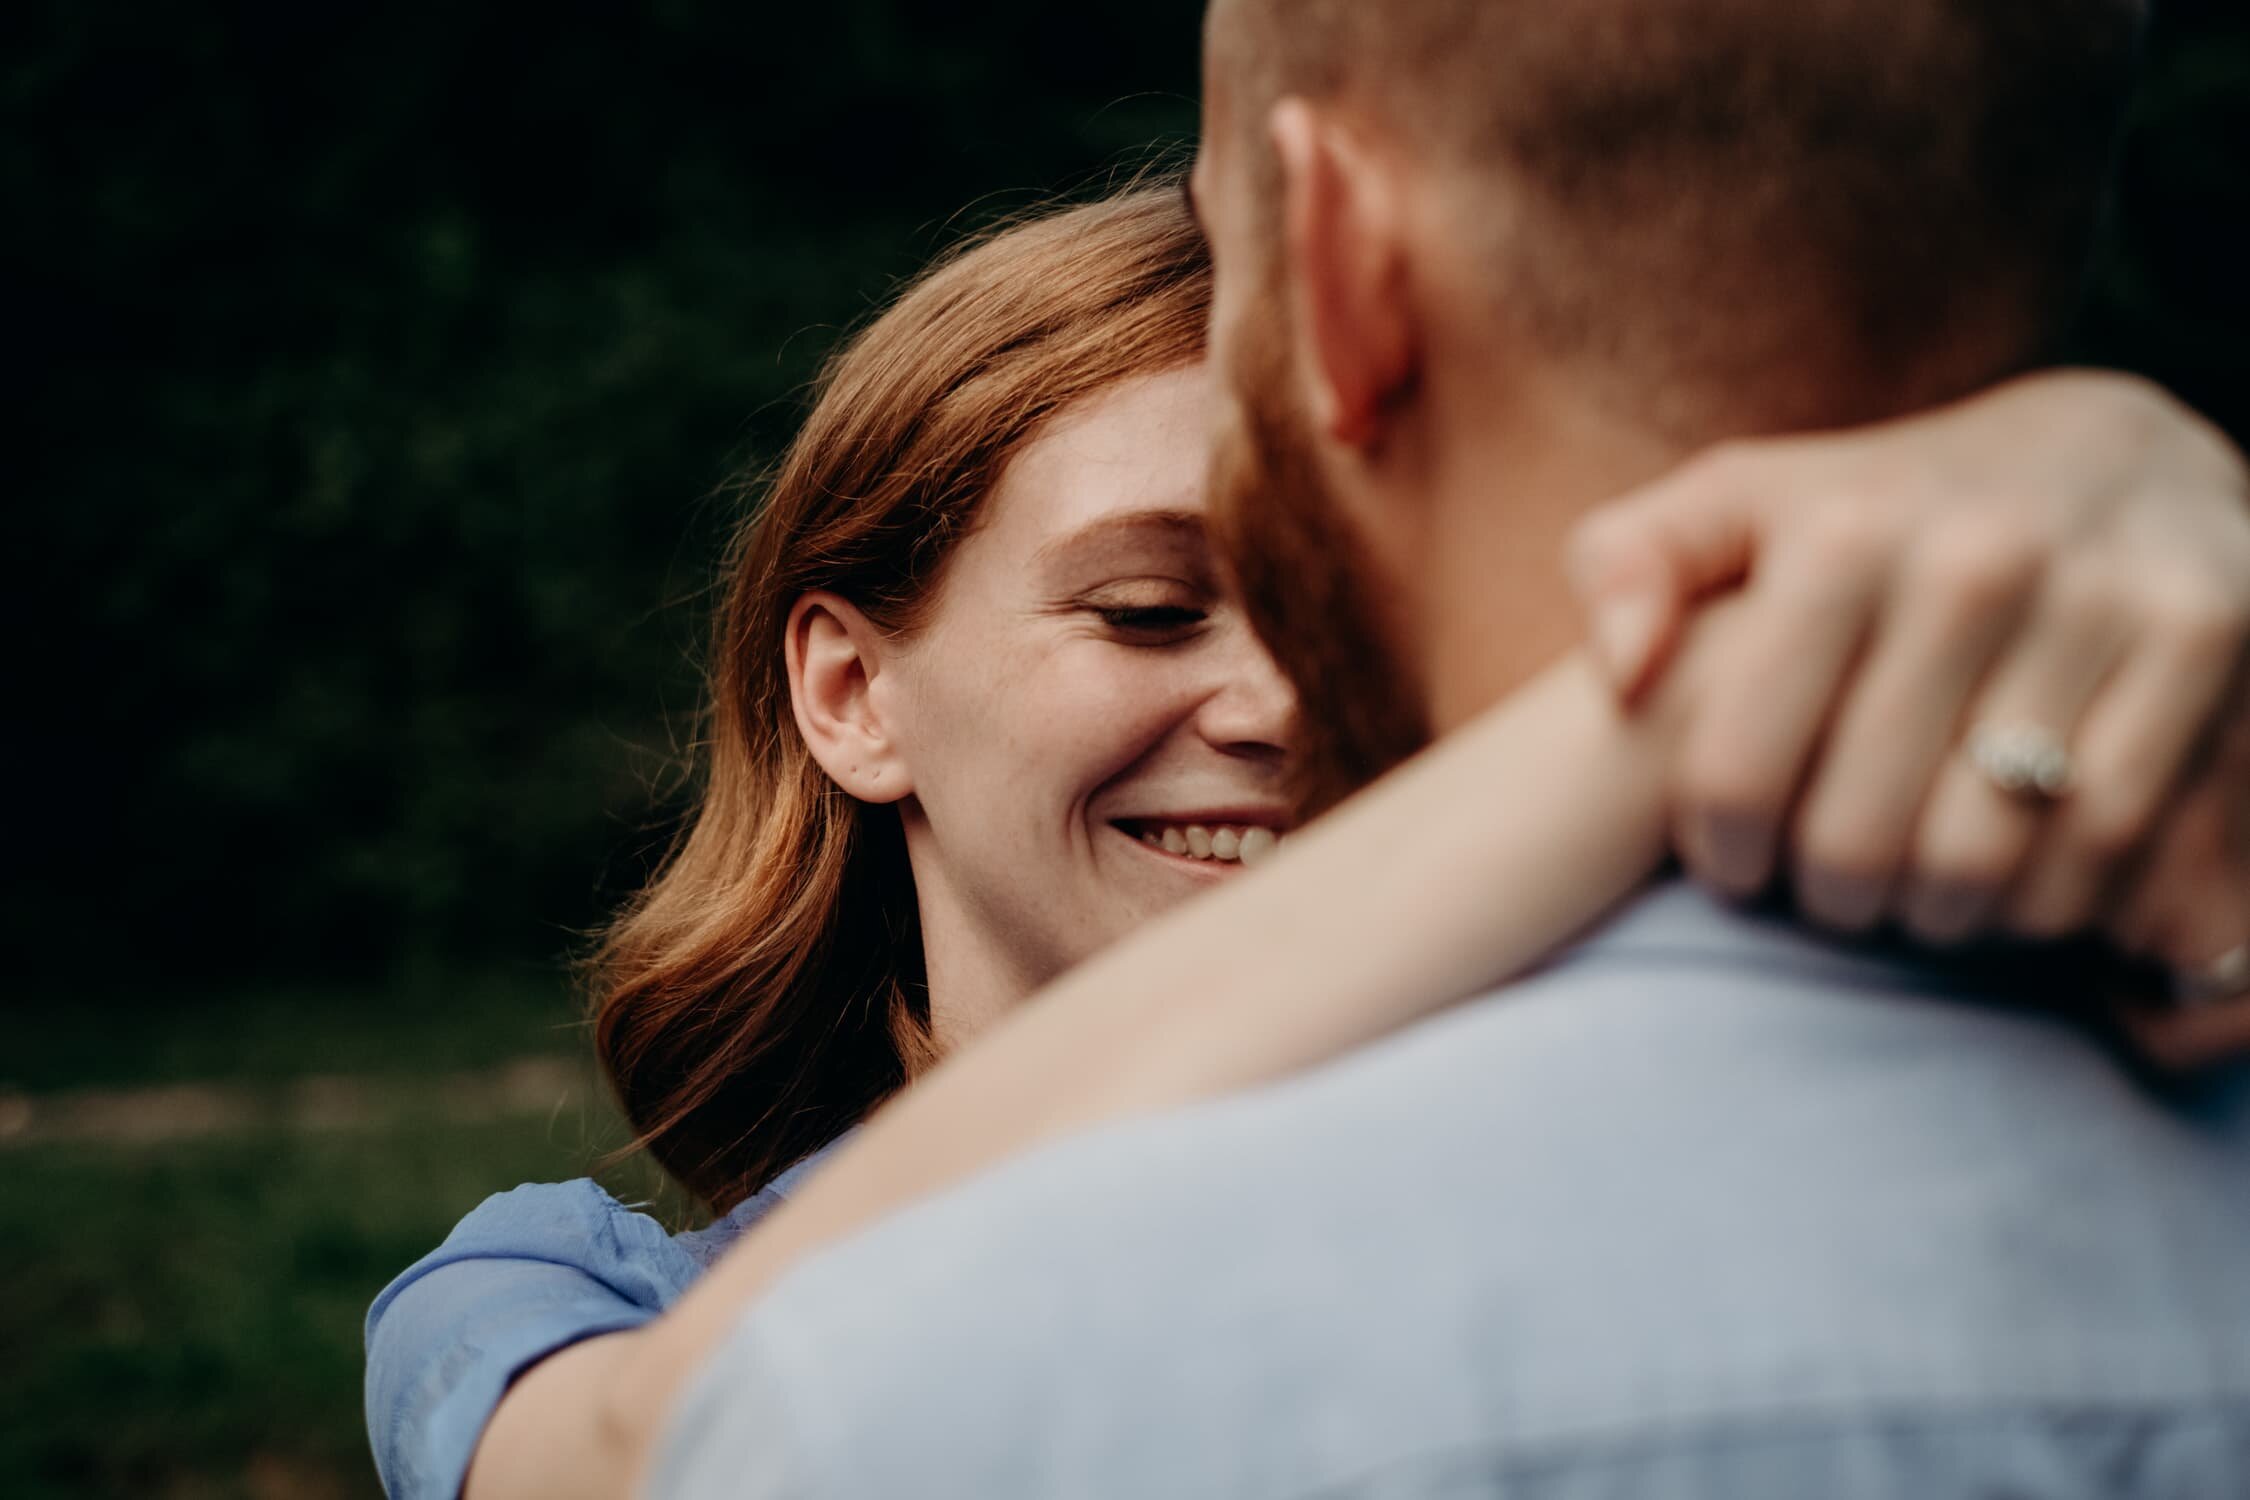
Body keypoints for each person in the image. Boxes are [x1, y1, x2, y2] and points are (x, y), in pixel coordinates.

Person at [611, 1, 2250, 1496]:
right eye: (1143, 609)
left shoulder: (910, 1399)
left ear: (1334, 258)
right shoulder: (600, 1303)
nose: (1264, 706)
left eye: (1225, 249)